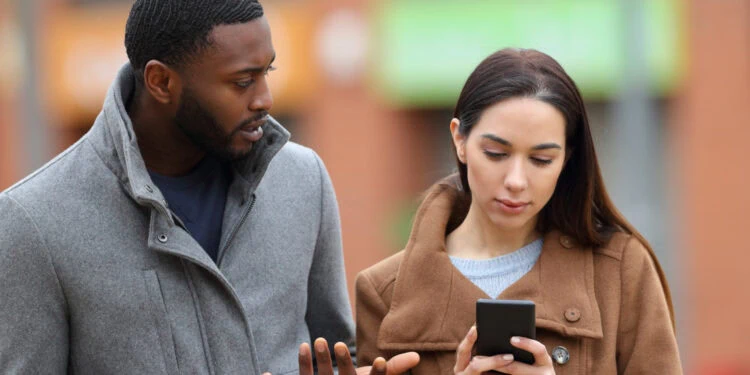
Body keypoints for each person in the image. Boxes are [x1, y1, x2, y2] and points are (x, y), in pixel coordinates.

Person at [0, 0, 417, 374]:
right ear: (162, 82)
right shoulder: (34, 221)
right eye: (242, 81)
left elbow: (342, 352)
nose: (265, 99)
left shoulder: (302, 179)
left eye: (266, 72)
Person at [355, 48, 682, 374]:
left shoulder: (620, 271)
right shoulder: (385, 291)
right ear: (459, 139)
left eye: (541, 160)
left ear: (566, 158)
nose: (516, 181)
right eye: (496, 153)